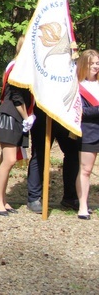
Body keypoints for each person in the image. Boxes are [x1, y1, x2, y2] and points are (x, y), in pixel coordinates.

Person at [0, 36, 33, 216]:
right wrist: (27, 117)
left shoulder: (20, 68)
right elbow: (17, 97)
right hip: (10, 115)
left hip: (14, 116)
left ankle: (2, 199)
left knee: (6, 160)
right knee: (9, 160)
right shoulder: (18, 69)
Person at [26, 110, 80, 212]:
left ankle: (70, 197)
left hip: (65, 115)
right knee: (39, 155)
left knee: (73, 154)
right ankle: (34, 198)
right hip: (43, 114)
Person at [76, 49, 99, 219]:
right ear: (85, 65)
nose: (96, 66)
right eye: (92, 63)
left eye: (98, 63)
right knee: (86, 169)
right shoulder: (78, 86)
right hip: (88, 131)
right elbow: (79, 112)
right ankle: (83, 205)